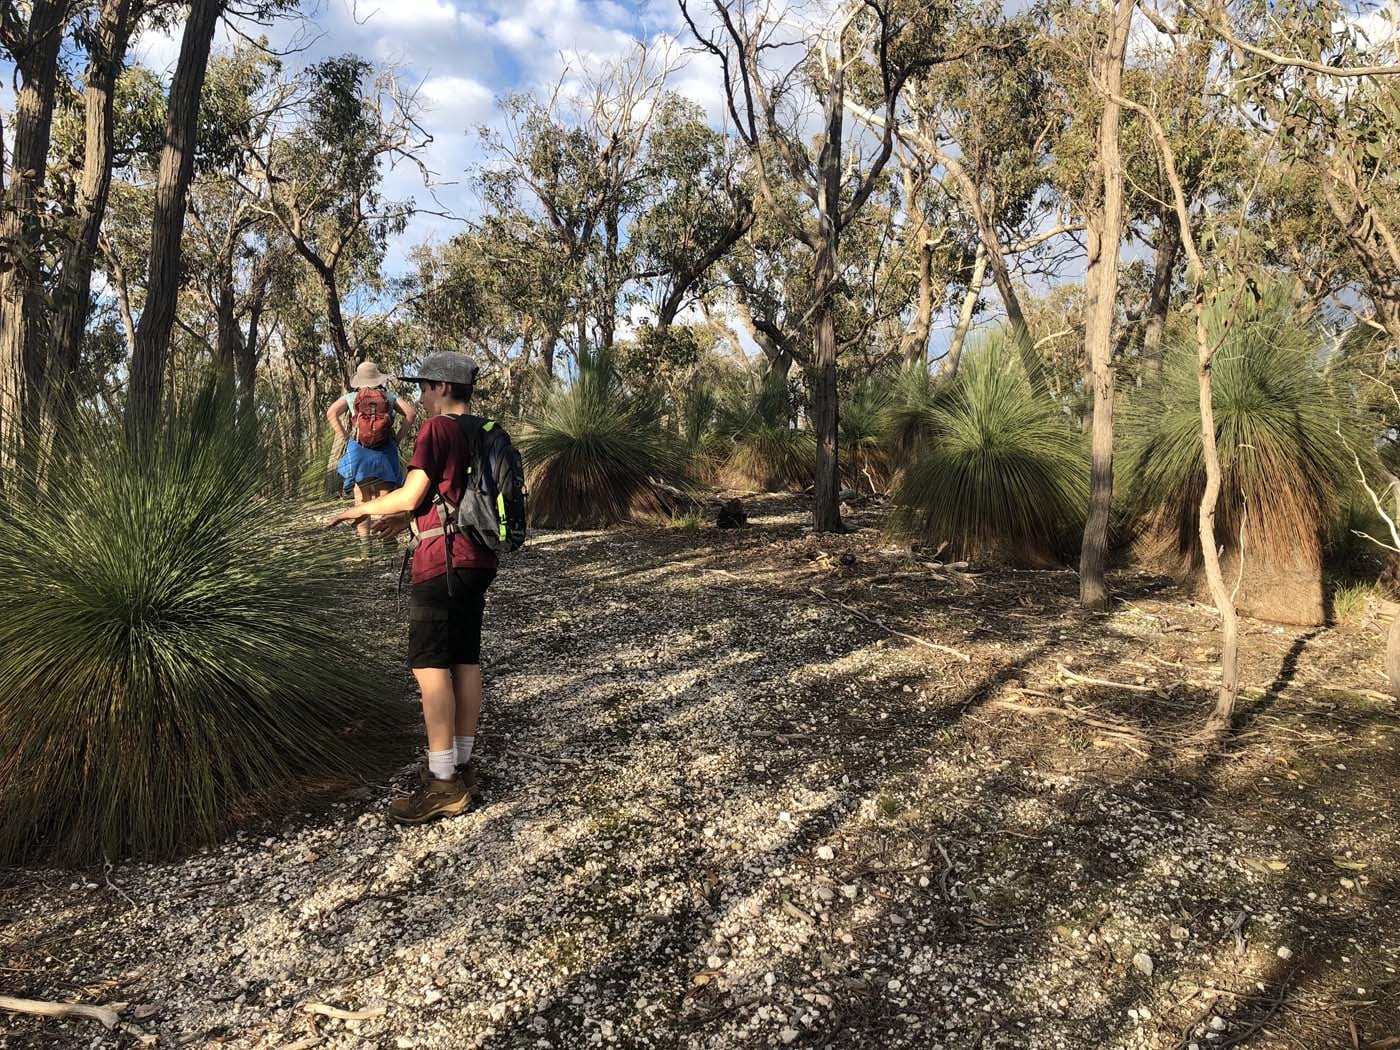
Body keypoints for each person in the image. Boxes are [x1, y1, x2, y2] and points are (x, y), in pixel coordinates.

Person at [327, 351, 498, 825]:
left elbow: (412, 491)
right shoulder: (482, 432)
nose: (421, 396)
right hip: (477, 559)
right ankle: (462, 764)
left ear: (443, 387)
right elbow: (450, 499)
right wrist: (407, 520)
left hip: (440, 562)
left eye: (425, 387)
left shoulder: (438, 429)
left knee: (429, 666)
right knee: (465, 657)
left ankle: (442, 781)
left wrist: (360, 510)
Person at [327, 360, 417, 542]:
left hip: (360, 453)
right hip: (385, 453)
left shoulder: (352, 398)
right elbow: (411, 413)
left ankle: (365, 547)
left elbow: (332, 413)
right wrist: (397, 438)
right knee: (387, 501)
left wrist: (346, 437)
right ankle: (388, 543)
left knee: (362, 501)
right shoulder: (389, 397)